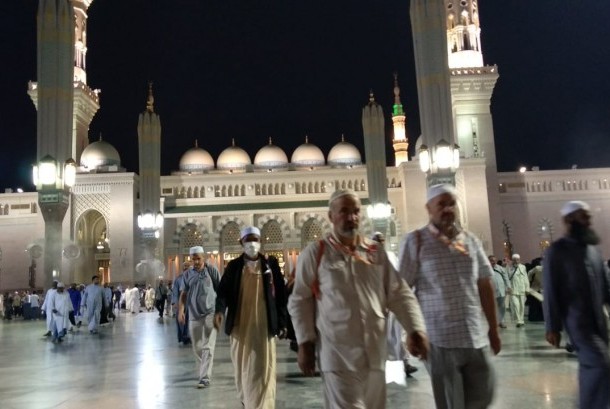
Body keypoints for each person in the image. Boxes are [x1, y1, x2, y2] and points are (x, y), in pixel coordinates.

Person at [289, 189, 428, 409]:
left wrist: (415, 329)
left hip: (374, 354)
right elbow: (299, 300)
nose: (351, 217)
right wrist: (305, 342)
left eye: (355, 211)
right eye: (344, 211)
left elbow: (399, 293)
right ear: (331, 216)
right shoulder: (316, 253)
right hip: (337, 356)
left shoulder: (374, 252)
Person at [399, 184, 500, 409]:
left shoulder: (471, 241)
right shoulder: (415, 241)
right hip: (439, 340)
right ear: (429, 208)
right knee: (452, 403)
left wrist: (493, 328)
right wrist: (411, 332)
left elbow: (485, 284)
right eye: (441, 204)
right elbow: (402, 290)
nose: (447, 209)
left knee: (482, 397)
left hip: (474, 337)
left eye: (451, 203)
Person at [543, 200, 610, 409]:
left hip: (599, 321)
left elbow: (606, 286)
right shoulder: (557, 251)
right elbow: (551, 290)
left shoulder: (592, 250)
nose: (588, 221)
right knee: (599, 363)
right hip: (577, 321)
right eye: (584, 216)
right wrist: (552, 327)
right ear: (569, 220)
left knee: (591, 367)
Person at [215, 226, 288, 409]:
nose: (252, 244)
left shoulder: (270, 265)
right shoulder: (234, 267)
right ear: (241, 242)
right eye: (248, 240)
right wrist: (219, 311)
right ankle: (247, 401)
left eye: (255, 239)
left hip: (264, 326)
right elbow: (223, 293)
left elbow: (280, 297)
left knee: (264, 370)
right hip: (241, 327)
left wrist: (283, 322)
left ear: (261, 241)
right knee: (243, 369)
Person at [371, 231, 418, 378]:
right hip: (378, 302)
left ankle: (404, 362)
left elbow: (398, 277)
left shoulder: (390, 256)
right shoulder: (369, 257)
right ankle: (386, 366)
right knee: (383, 335)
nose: (380, 242)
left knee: (398, 333)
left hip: (393, 300)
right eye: (377, 239)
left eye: (381, 239)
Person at [178, 246, 221, 389]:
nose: (196, 262)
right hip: (194, 315)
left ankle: (205, 377)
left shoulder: (212, 271)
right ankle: (204, 370)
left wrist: (220, 311)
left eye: (198, 258)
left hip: (210, 313)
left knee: (207, 346)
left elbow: (220, 290)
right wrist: (181, 311)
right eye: (193, 259)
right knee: (197, 347)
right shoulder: (187, 275)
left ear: (204, 257)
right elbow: (183, 294)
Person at [489, 255, 511, 328]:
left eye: (494, 260)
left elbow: (506, 278)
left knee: (502, 307)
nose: (494, 262)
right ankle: (493, 322)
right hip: (491, 291)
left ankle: (501, 321)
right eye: (492, 260)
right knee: (492, 308)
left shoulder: (500, 268)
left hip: (501, 290)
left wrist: (508, 287)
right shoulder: (486, 269)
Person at [508, 254, 529, 327]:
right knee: (516, 305)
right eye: (515, 259)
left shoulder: (523, 267)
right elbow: (507, 278)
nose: (516, 261)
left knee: (522, 305)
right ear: (512, 260)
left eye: (517, 259)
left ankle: (521, 320)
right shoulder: (509, 268)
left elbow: (525, 278)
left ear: (519, 260)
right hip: (513, 289)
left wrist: (527, 288)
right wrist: (508, 288)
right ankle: (518, 321)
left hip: (522, 288)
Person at [172, 262, 191, 344]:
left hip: (191, 303)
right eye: (184, 266)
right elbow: (175, 292)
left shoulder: (193, 277)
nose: (186, 267)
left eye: (187, 266)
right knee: (181, 320)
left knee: (189, 320)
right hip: (181, 302)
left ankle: (187, 335)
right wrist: (175, 302)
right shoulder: (178, 279)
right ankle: (183, 336)